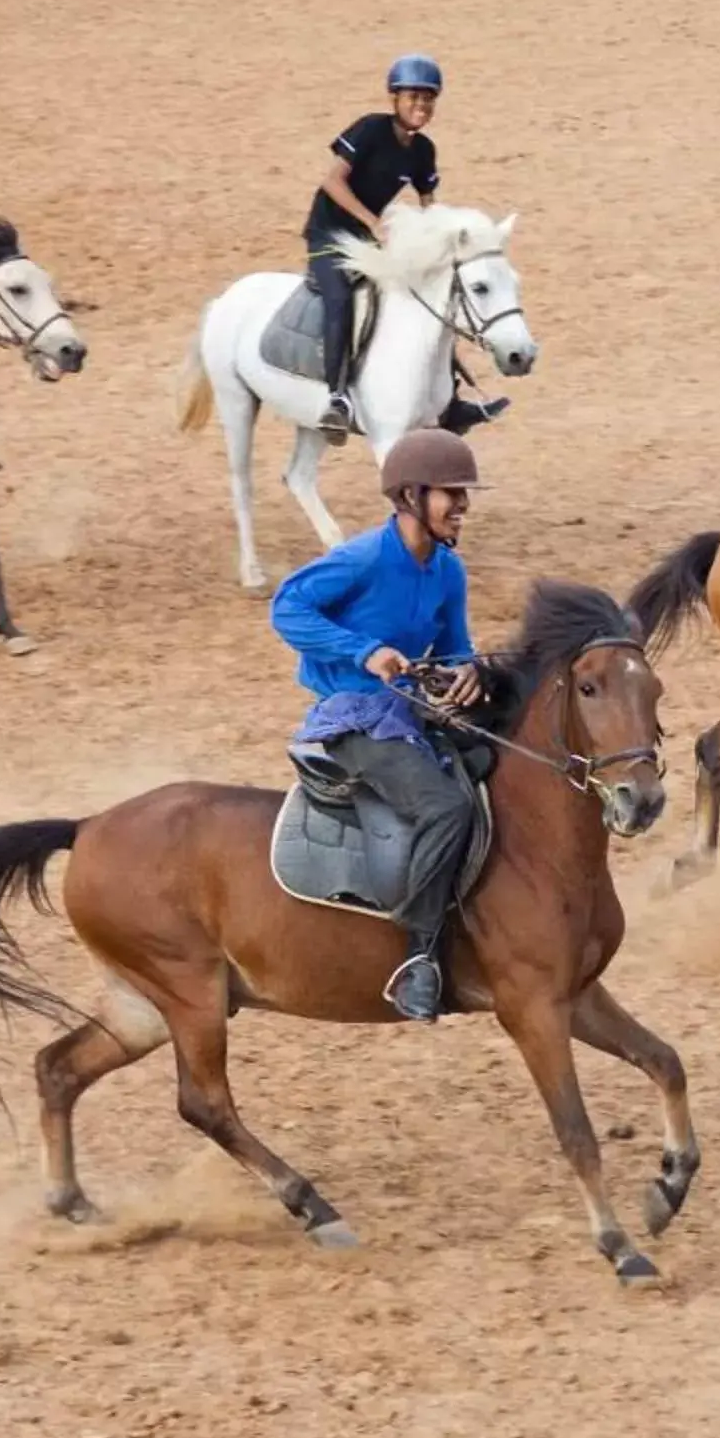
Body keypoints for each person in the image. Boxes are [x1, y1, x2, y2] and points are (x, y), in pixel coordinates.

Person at [270, 428, 490, 1022]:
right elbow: (286, 606)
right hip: (356, 719)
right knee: (447, 808)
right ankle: (418, 959)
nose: (464, 506)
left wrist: (465, 670)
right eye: (452, 494)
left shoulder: (448, 572)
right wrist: (363, 650)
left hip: (415, 712)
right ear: (411, 496)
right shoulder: (363, 557)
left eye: (465, 495)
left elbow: (455, 646)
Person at [302, 56, 508, 445]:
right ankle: (337, 399)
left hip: (371, 241)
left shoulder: (423, 150)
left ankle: (450, 401)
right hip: (328, 236)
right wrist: (374, 222)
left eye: (429, 99)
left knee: (430, 301)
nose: (422, 106)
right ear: (394, 98)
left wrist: (444, 240)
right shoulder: (369, 130)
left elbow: (430, 204)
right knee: (341, 298)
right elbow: (332, 182)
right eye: (414, 96)